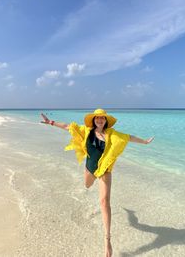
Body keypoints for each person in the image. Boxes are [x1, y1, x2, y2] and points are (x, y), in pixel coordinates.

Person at [40, 108, 154, 257]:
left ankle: (107, 240)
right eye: (97, 118)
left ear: (106, 121)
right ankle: (130, 214)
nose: (100, 120)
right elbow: (69, 127)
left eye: (103, 118)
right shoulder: (86, 130)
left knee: (104, 202)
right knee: (87, 185)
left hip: (105, 170)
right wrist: (51, 122)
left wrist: (144, 142)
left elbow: (128, 137)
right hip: (89, 168)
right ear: (93, 120)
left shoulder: (112, 134)